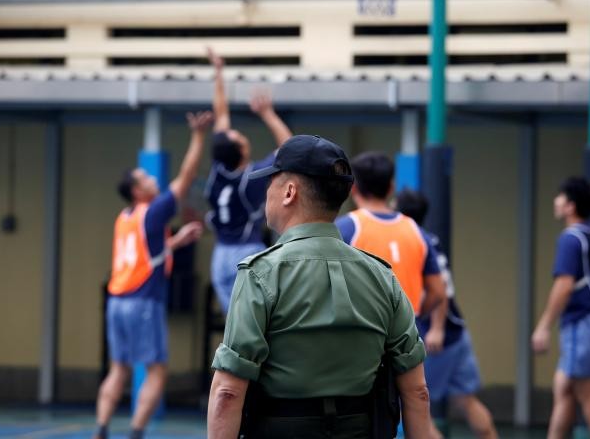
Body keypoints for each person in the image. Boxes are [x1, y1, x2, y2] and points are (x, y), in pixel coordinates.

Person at [207, 135, 436, 439]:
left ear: (290, 192)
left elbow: (227, 392)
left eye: (271, 182)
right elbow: (417, 391)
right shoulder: (383, 276)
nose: (266, 192)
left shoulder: (260, 273)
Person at [93, 111, 213, 439]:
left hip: (117, 300)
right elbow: (186, 177)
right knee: (157, 372)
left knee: (119, 369)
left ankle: (101, 430)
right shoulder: (154, 210)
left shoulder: (125, 217)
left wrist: (174, 242)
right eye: (144, 178)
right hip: (144, 301)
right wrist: (198, 137)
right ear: (136, 190)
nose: (151, 179)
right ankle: (136, 433)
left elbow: (144, 255)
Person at [395, 189, 497, 439]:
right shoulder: (429, 239)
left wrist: (437, 328)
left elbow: (441, 289)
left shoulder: (416, 240)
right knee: (466, 401)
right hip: (457, 332)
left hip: (435, 338)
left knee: (414, 408)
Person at [532, 177, 590, 439]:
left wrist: (544, 326)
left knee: (587, 391)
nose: (555, 201)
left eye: (560, 197)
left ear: (570, 206)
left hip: (583, 322)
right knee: (563, 387)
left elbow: (564, 285)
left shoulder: (570, 239)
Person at [205, 47, 293, 313]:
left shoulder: (218, 169)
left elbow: (221, 116)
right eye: (239, 137)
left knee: (235, 325)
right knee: (256, 321)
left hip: (219, 255)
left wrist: (219, 73)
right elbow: (289, 146)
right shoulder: (250, 179)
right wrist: (267, 113)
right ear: (242, 150)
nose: (240, 134)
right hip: (244, 253)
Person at [335, 151, 446, 318]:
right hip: (406, 334)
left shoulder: (344, 227)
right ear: (391, 188)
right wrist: (413, 317)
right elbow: (437, 291)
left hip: (364, 329)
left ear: (353, 188)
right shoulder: (416, 230)